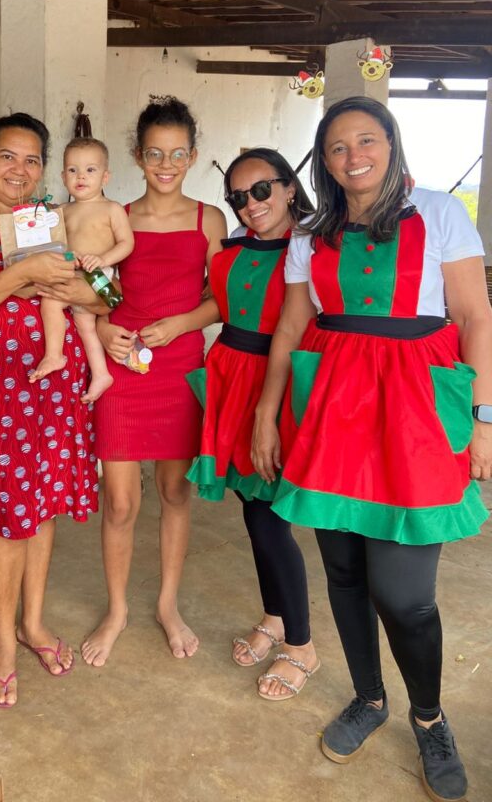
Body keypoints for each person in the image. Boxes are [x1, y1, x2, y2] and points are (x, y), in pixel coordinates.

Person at [252, 97, 491, 800]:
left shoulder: (439, 213)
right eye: (336, 146)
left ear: (391, 143)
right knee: (346, 572)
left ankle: (429, 717)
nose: (353, 155)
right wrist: (266, 413)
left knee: (404, 594)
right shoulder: (313, 234)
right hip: (333, 410)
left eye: (366, 139)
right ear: (324, 163)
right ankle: (369, 697)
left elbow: (475, 316)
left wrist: (484, 419)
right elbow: (292, 327)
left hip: (415, 410)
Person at [0, 113, 104, 709]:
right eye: (7, 156)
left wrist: (81, 289)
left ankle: (33, 622)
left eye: (33, 159)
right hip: (1, 388)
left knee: (43, 504)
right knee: (11, 515)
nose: (20, 170)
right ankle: (3, 641)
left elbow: (105, 297)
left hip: (57, 385)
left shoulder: (50, 219)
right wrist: (24, 272)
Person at [81, 96, 227, 667]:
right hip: (122, 368)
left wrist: (181, 323)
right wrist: (103, 327)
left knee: (174, 492)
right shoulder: (114, 216)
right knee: (119, 503)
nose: (166, 164)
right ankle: (116, 609)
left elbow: (222, 299)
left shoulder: (208, 219)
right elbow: (93, 290)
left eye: (177, 153)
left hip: (180, 368)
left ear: (192, 155)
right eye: (155, 153)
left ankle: (167, 604)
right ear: (138, 156)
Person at [186, 148, 320, 699]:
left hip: (278, 385)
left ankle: (302, 645)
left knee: (269, 520)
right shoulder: (234, 247)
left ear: (289, 188)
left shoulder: (315, 247)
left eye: (262, 190)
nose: (250, 204)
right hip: (233, 377)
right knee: (253, 512)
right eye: (238, 196)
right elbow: (219, 305)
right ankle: (275, 618)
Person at [31, 136, 134, 403]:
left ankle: (54, 355)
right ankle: (100, 374)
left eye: (90, 169)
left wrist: (102, 259)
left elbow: (126, 244)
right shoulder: (61, 211)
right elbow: (58, 247)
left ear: (105, 177)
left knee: (52, 301)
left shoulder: (112, 209)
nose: (81, 176)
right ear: (63, 177)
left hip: (99, 275)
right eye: (73, 170)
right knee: (85, 326)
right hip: (73, 272)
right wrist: (68, 256)